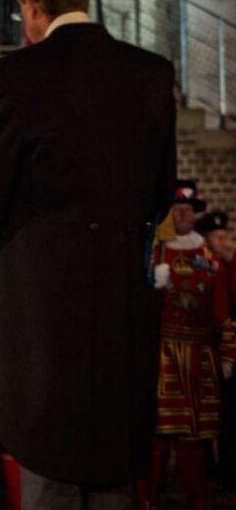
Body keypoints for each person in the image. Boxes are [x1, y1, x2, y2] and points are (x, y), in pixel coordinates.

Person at [0, 0, 177, 508]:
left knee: (48, 474)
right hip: (118, 310)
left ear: (31, 4)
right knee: (114, 476)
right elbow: (160, 197)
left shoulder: (14, 77)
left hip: (39, 315)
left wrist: (6, 281)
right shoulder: (151, 74)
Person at [146, 183, 234, 510]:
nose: (182, 214)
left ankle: (197, 501)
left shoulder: (209, 259)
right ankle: (150, 500)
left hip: (199, 357)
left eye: (188, 209)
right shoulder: (155, 252)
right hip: (164, 354)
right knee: (159, 436)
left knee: (194, 440)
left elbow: (222, 311)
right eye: (176, 209)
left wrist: (227, 354)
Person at [196, 209, 236, 491]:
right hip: (204, 348)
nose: (224, 242)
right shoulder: (203, 266)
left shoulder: (230, 265)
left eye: (225, 236)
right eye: (218, 237)